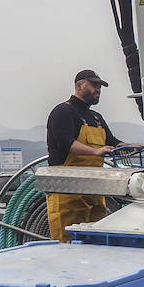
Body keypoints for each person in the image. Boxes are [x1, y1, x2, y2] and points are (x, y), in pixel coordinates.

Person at [45, 69, 125, 242]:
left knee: (95, 244)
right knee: (66, 245)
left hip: (94, 192)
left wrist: (133, 147)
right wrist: (95, 151)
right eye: (94, 85)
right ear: (79, 85)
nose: (98, 89)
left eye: (100, 87)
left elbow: (112, 142)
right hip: (67, 192)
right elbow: (65, 142)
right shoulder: (63, 111)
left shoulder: (96, 117)